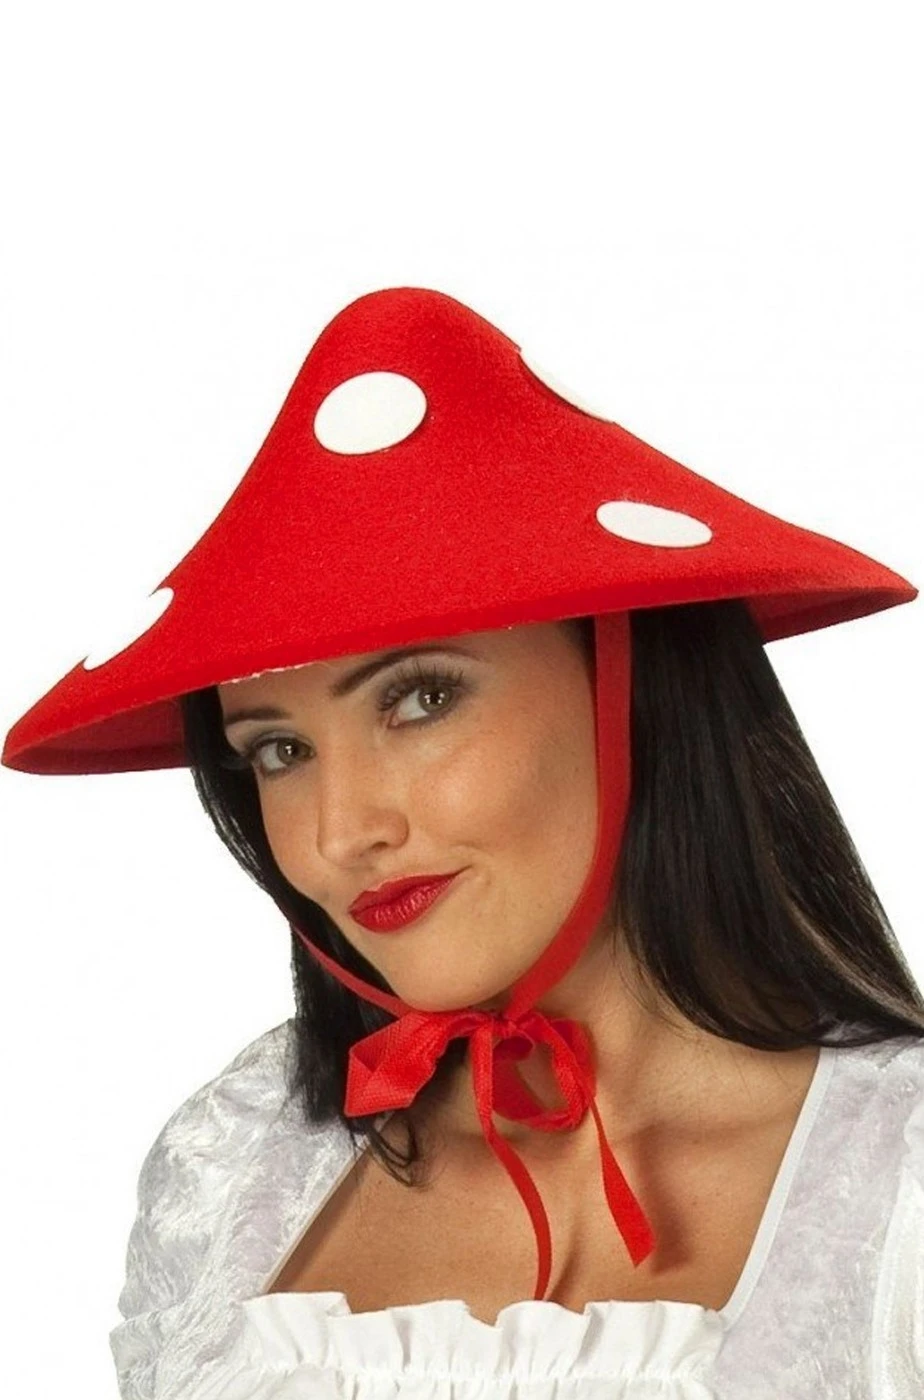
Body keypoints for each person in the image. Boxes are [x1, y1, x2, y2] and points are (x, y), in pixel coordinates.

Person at [3, 285, 923, 1398]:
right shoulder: (237, 1167)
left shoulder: (900, 1186)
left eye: (421, 698)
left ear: (636, 687)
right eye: (280, 751)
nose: (344, 832)